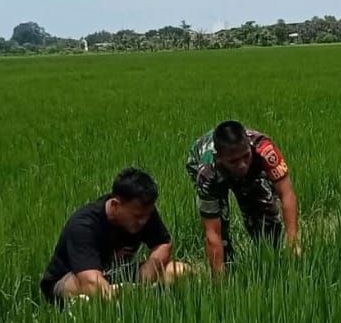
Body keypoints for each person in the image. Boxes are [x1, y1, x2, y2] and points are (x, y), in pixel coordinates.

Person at [41, 168, 187, 305]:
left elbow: (163, 244)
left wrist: (150, 269)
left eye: (147, 215)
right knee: (89, 292)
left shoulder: (143, 211)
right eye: (137, 216)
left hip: (116, 273)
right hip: (73, 278)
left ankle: (143, 300)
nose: (143, 221)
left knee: (180, 271)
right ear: (115, 205)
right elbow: (90, 282)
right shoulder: (83, 225)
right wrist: (128, 301)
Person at [186, 120, 300, 275]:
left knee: (267, 220)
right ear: (219, 157)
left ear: (249, 147)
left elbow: (286, 194)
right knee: (222, 234)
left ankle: (272, 265)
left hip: (250, 170)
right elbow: (212, 232)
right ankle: (228, 274)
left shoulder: (264, 149)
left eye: (246, 156)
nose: (242, 165)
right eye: (234, 161)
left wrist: (293, 242)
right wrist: (219, 284)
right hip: (213, 170)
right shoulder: (207, 173)